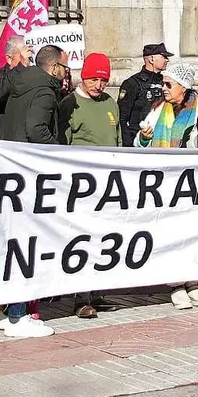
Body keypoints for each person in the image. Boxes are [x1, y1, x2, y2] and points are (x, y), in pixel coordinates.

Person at [0, 45, 67, 337]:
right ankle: (17, 316)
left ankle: (7, 310)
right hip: (30, 174)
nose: (66, 71)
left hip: (13, 173)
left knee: (14, 244)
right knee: (27, 245)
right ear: (54, 68)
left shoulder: (20, 85)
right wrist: (60, 153)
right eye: (64, 66)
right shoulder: (45, 92)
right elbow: (37, 130)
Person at [136, 62, 198, 309]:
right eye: (163, 84)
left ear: (184, 87)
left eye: (169, 84)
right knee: (171, 233)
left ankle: (193, 282)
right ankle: (175, 284)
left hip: (192, 184)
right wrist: (144, 138)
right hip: (166, 185)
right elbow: (140, 146)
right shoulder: (159, 110)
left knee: (192, 232)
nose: (164, 89)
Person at [57, 53, 124, 319]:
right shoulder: (69, 104)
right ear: (83, 76)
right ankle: (80, 297)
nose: (98, 85)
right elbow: (62, 143)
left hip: (108, 183)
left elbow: (118, 139)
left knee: (103, 238)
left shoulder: (110, 103)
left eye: (103, 80)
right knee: (82, 238)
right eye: (94, 79)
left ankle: (98, 291)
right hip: (81, 184)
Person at [119, 42, 172, 147]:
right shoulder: (132, 83)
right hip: (137, 141)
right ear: (151, 59)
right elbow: (122, 118)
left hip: (160, 140)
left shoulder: (166, 82)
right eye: (164, 57)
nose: (167, 60)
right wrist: (128, 146)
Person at [0, 37, 32, 134]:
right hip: (6, 137)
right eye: (25, 55)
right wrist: (21, 66)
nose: (29, 60)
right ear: (9, 58)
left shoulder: (35, 76)